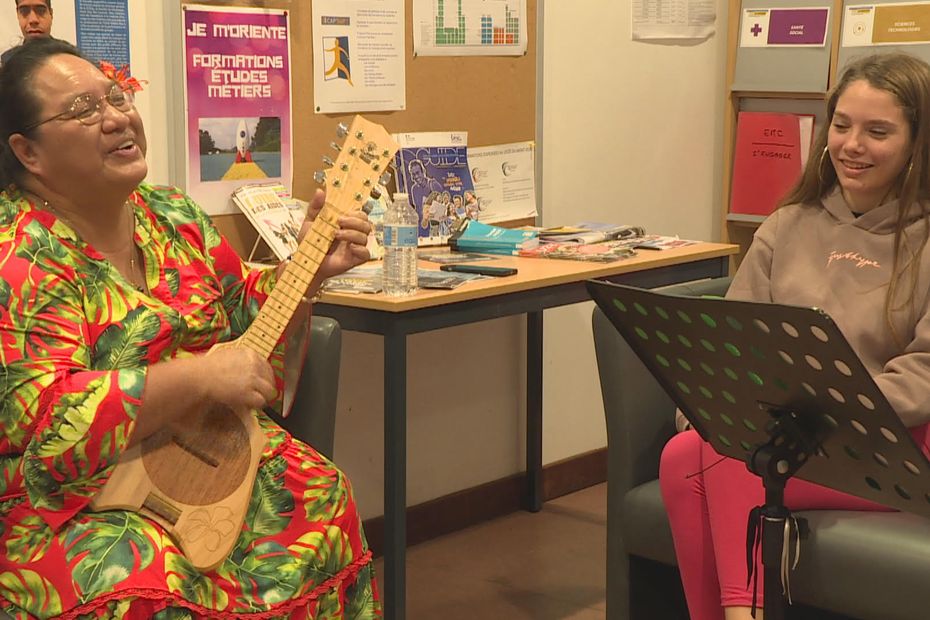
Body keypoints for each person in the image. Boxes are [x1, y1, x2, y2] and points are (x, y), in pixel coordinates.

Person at [0, 38, 380, 619]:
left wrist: (306, 270)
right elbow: (49, 421)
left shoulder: (170, 214)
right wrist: (200, 376)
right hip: (73, 497)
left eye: (117, 96)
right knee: (146, 576)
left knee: (320, 494)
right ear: (28, 152)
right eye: (83, 110)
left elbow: (243, 314)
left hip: (203, 453)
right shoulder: (18, 256)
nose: (117, 117)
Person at [659, 51, 930, 620]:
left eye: (878, 131)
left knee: (729, 457)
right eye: (842, 125)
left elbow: (923, 373)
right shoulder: (789, 223)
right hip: (790, 429)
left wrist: (812, 417)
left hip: (896, 439)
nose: (852, 144)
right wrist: (714, 407)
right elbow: (734, 338)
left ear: (916, 143)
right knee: (685, 455)